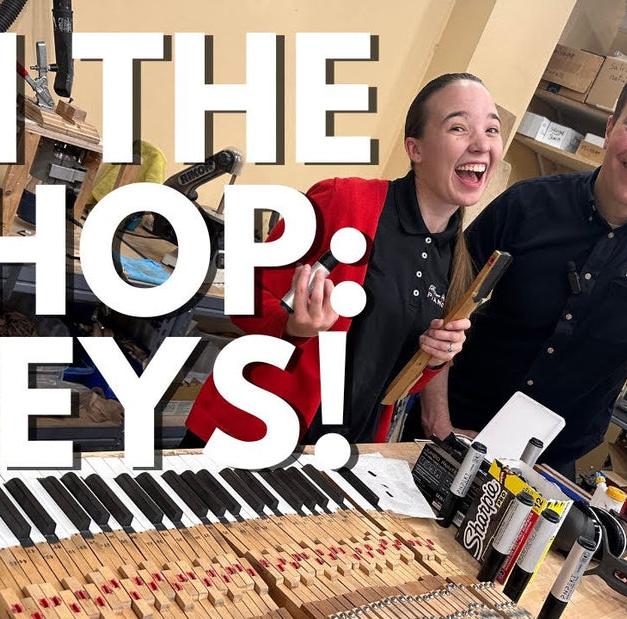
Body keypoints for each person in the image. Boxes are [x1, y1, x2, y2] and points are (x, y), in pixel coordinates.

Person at [417, 60, 627, 540]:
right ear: (610, 129)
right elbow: (441, 310)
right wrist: (438, 427)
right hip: (448, 430)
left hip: (545, 469)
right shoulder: (526, 205)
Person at [183, 73, 504, 447]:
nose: (481, 143)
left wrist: (433, 359)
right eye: (459, 128)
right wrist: (293, 327)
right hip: (253, 433)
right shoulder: (344, 201)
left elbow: (392, 382)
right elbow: (246, 294)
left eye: (492, 130)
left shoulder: (455, 260)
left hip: (341, 457)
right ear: (415, 149)